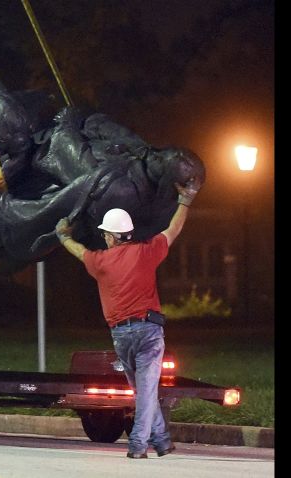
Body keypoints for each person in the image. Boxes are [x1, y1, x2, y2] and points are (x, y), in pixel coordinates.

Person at [55, 180, 200, 459]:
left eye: (106, 235)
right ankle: (143, 442)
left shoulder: (101, 262)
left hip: (121, 336)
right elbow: (173, 229)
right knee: (145, 391)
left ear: (111, 236)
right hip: (148, 331)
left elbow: (78, 251)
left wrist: (63, 236)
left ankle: (155, 442)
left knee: (143, 390)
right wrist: (186, 201)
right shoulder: (147, 251)